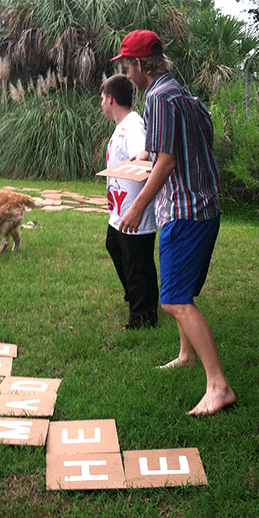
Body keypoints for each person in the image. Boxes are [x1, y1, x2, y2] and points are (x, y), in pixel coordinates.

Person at [112, 30, 236, 415]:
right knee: (182, 290)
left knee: (175, 301)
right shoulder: (184, 95)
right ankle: (186, 353)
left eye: (127, 67)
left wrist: (135, 209)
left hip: (184, 212)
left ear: (140, 65)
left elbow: (165, 163)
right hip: (204, 208)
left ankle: (219, 386)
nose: (127, 76)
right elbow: (186, 149)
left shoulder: (159, 99)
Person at [100, 74, 158, 330]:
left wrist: (141, 156)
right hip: (120, 211)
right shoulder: (122, 125)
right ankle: (135, 295)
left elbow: (144, 151)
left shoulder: (133, 125)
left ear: (111, 99)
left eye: (102, 98)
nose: (101, 103)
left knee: (137, 263)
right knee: (114, 246)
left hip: (135, 211)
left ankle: (143, 316)